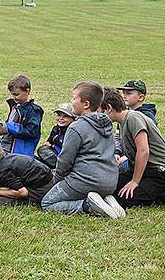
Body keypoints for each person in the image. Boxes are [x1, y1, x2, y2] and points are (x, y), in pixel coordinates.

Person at [41, 81, 125, 219]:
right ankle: (106, 201)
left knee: (47, 203)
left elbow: (65, 160)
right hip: (110, 182)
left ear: (86, 104)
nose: (71, 101)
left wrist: (59, 181)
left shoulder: (76, 127)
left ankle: (87, 205)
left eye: (74, 98)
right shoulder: (108, 123)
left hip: (85, 182)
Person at [101, 88, 165, 208]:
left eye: (100, 111)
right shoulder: (122, 122)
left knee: (124, 199)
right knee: (111, 188)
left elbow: (143, 151)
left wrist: (135, 181)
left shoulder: (133, 118)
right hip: (143, 170)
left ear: (108, 108)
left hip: (158, 172)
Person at [0, 143, 53, 208]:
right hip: (40, 178)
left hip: (42, 187)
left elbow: (22, 192)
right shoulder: (0, 161)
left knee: (4, 200)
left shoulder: (2, 170)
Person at [0, 74, 44, 157]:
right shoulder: (15, 107)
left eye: (17, 94)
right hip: (7, 147)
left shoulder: (34, 110)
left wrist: (8, 127)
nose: (14, 97)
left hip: (21, 153)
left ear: (27, 91)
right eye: (12, 94)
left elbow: (31, 132)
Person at [114, 79, 157, 171]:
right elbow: (118, 136)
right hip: (125, 156)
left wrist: (125, 158)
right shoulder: (123, 115)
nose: (124, 96)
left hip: (142, 160)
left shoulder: (146, 116)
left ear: (140, 97)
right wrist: (116, 153)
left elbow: (146, 145)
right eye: (123, 93)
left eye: (129, 93)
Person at [37, 103, 76, 169]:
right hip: (52, 155)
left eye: (65, 116)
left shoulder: (73, 132)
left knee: (42, 150)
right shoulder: (56, 129)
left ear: (73, 119)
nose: (61, 118)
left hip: (65, 163)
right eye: (59, 115)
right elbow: (48, 143)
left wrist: (51, 146)